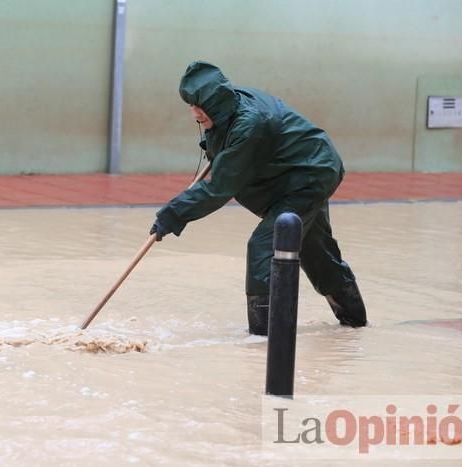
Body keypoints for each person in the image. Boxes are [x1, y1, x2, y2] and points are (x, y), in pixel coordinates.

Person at [149, 61, 367, 335]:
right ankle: (356, 326)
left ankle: (263, 339)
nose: (194, 113)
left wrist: (173, 213)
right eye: (190, 105)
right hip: (291, 173)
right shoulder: (228, 104)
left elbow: (219, 188)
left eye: (198, 106)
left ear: (216, 102)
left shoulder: (250, 125)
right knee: (316, 250)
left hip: (310, 175)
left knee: (266, 245)